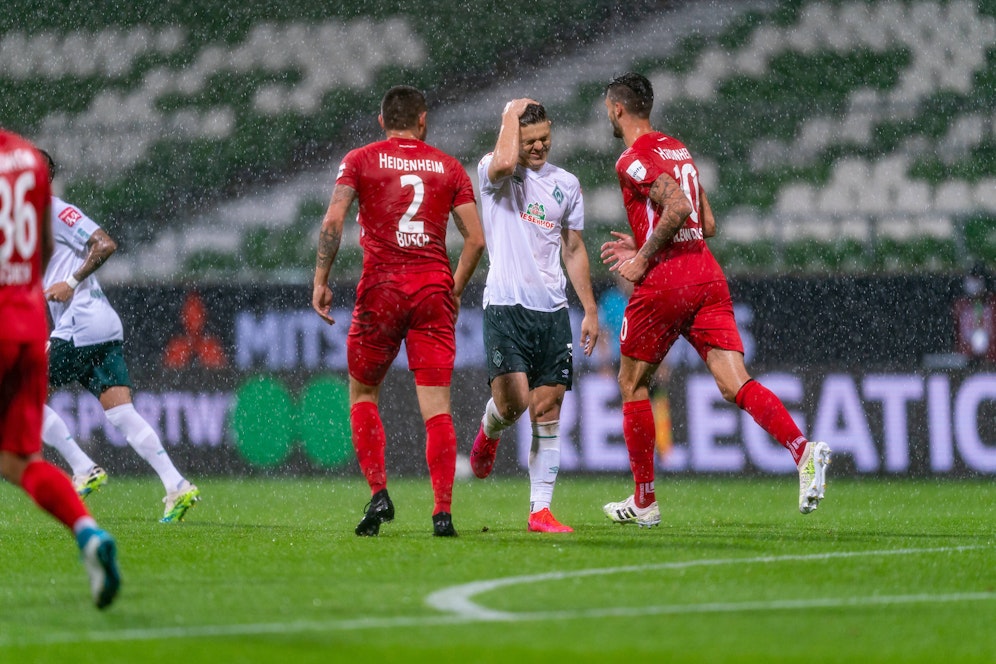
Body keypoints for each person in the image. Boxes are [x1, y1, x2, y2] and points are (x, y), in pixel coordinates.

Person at [599, 73, 832, 525]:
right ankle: (803, 451)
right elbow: (706, 222)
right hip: (706, 272)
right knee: (734, 382)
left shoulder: (631, 158)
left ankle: (645, 501)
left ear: (617, 109)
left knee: (632, 384)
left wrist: (642, 255)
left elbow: (681, 210)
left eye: (608, 108)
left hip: (667, 279)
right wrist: (644, 235)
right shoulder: (677, 148)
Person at [312, 85, 485, 537]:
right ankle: (442, 512)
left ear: (381, 120)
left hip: (382, 288)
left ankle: (379, 493)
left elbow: (333, 221)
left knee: (364, 394)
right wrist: (454, 288)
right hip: (431, 289)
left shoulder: (360, 159)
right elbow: (477, 239)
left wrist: (321, 280)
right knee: (437, 407)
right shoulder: (448, 167)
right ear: (423, 120)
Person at [39, 150, 200, 523]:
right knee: (122, 413)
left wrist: (72, 282)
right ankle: (177, 485)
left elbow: (105, 243)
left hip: (81, 321)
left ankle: (83, 468)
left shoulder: (55, 210)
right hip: (98, 323)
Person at [0, 129, 120, 608]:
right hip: (29, 321)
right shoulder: (27, 163)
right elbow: (46, 247)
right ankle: (88, 532)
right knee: (18, 460)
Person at [468, 99, 598, 533]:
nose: (539, 147)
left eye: (544, 138)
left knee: (547, 407)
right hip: (506, 305)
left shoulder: (568, 184)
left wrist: (590, 309)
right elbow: (506, 160)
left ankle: (539, 510)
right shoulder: (495, 172)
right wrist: (508, 112)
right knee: (513, 404)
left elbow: (574, 249)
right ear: (514, 137)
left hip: (553, 311)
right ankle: (490, 429)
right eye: (530, 140)